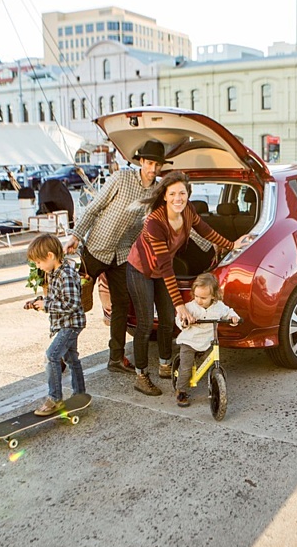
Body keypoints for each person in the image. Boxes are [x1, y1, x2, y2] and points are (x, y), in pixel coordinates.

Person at [126, 171, 237, 396]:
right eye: (173, 193)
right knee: (146, 323)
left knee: (168, 320)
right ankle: (141, 375)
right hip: (141, 270)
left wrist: (232, 244)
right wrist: (181, 305)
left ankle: (166, 365)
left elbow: (206, 231)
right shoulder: (155, 223)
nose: (178, 198)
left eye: (182, 193)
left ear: (188, 195)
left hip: (162, 271)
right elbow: (166, 265)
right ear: (165, 196)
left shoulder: (187, 211)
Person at [65, 140, 167, 377]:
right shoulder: (122, 179)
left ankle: (116, 358)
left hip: (122, 255)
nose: (153, 169)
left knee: (121, 305)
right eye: (150, 163)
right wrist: (76, 236)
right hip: (96, 248)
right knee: (76, 303)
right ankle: (62, 353)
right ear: (141, 161)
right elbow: (93, 208)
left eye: (158, 165)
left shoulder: (157, 191)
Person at [23, 233, 87, 416]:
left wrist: (47, 305)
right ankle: (80, 393)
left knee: (51, 356)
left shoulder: (66, 274)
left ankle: (55, 398)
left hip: (70, 325)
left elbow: (72, 304)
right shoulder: (53, 273)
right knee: (72, 359)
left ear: (50, 256)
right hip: (63, 324)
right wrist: (39, 302)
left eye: (38, 262)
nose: (38, 266)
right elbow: (56, 299)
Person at [173, 273, 239, 407]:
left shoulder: (218, 306)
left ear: (213, 296)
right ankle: (181, 390)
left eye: (203, 298)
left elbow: (228, 311)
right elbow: (179, 319)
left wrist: (233, 317)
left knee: (210, 361)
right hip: (189, 342)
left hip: (207, 342)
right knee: (185, 369)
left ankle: (217, 383)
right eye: (196, 296)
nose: (199, 300)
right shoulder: (191, 307)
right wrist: (185, 322)